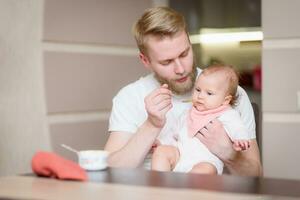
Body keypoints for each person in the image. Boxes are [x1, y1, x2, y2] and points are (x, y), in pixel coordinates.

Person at [104, 7, 262, 176]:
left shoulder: (227, 93)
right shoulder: (129, 97)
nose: (180, 69)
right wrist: (151, 125)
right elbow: (110, 171)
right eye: (167, 62)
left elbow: (256, 176)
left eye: (184, 54)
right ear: (145, 60)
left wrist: (228, 153)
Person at [151, 65, 251, 174]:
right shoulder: (188, 113)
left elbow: (237, 127)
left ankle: (186, 190)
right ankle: (159, 186)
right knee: (161, 152)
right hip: (180, 156)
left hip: (206, 162)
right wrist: (161, 142)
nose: (200, 96)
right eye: (198, 90)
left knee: (204, 170)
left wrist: (240, 138)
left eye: (209, 93)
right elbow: (174, 133)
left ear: (226, 100)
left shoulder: (226, 114)